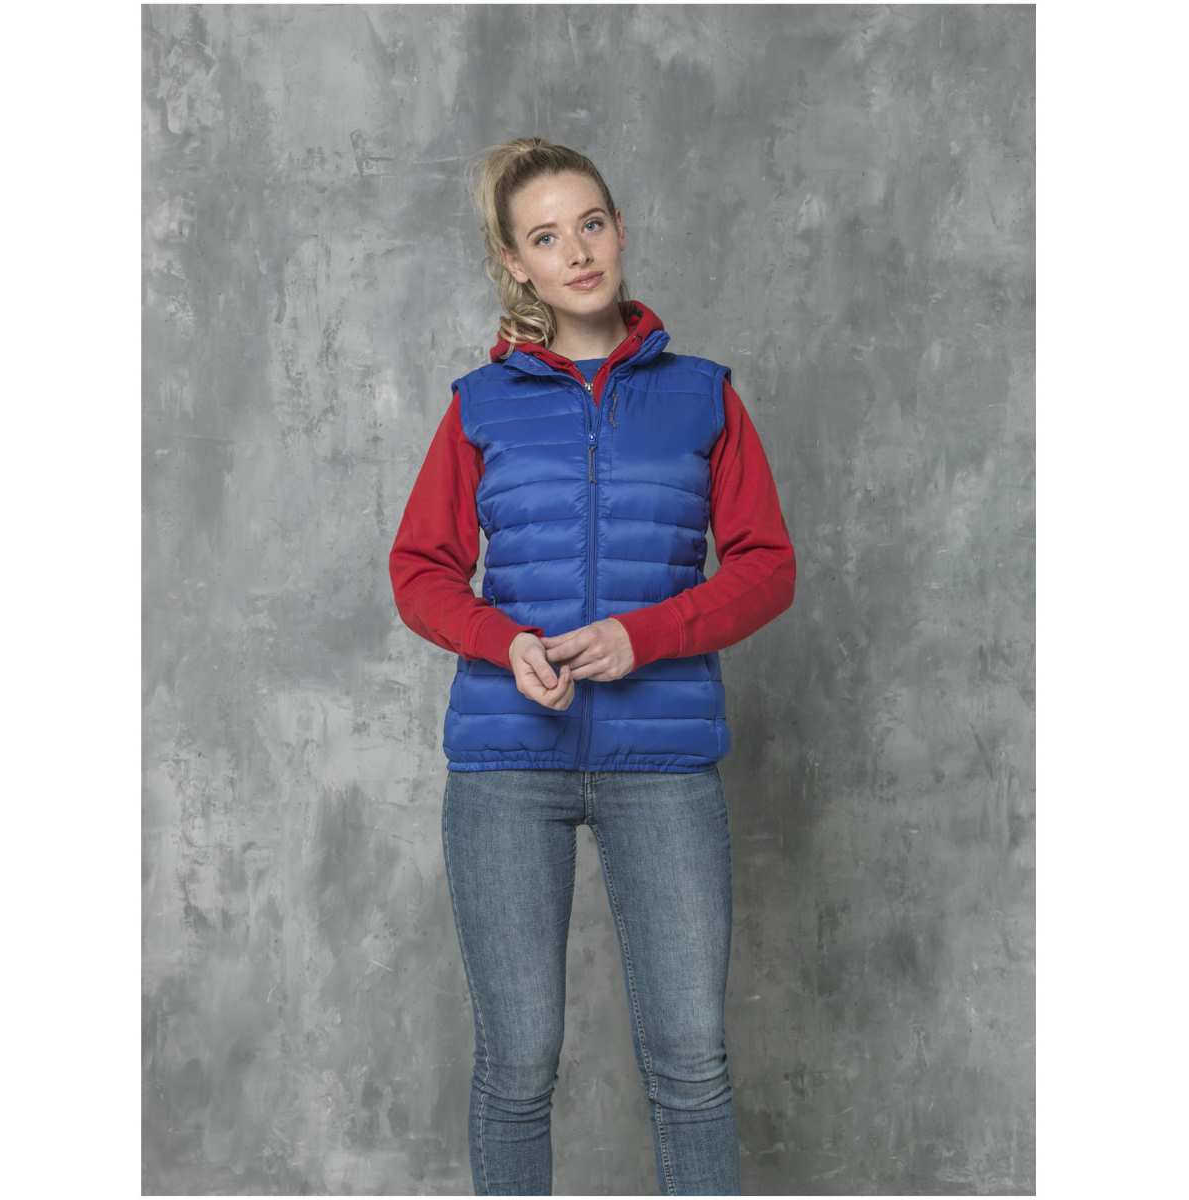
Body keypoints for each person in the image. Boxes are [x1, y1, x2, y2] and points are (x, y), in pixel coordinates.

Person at [389, 137, 796, 1195]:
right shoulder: (481, 404)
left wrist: (642, 636)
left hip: (663, 762)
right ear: (514, 263)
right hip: (506, 764)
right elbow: (419, 569)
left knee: (691, 1066)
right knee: (518, 1065)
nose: (576, 252)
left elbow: (767, 567)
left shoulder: (703, 396)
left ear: (619, 230)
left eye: (592, 224)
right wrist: (505, 642)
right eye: (545, 237)